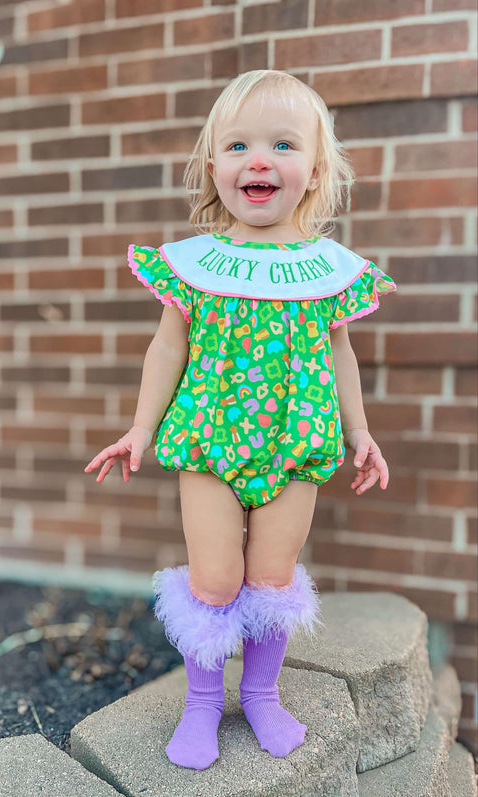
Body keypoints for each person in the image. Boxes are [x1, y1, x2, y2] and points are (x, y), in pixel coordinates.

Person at [84, 69, 396, 772]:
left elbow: (339, 353)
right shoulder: (196, 264)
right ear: (212, 166)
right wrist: (140, 428)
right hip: (209, 443)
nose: (259, 160)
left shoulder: (327, 270)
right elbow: (168, 347)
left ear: (315, 171)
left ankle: (259, 693)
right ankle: (201, 702)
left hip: (296, 448)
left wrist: (360, 431)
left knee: (273, 578)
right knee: (217, 579)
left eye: (283, 145)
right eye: (238, 146)